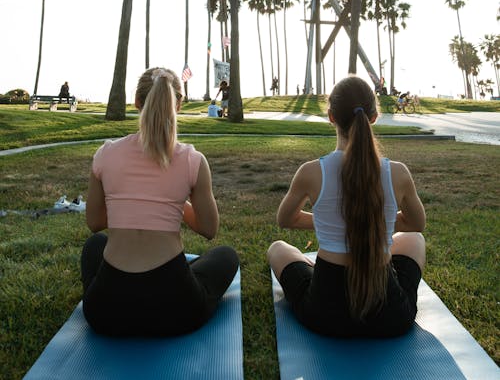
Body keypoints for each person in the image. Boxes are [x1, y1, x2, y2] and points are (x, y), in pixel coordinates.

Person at [80, 66, 239, 337]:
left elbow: (94, 222)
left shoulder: (105, 154)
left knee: (95, 245)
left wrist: (132, 204)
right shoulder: (192, 160)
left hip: (105, 312)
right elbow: (209, 229)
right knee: (226, 255)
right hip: (176, 310)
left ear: (137, 102)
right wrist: (172, 204)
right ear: (177, 104)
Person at [267, 75, 426, 338]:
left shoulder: (311, 172)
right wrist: (373, 221)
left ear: (331, 117)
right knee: (415, 240)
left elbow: (286, 220)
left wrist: (333, 221)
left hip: (325, 315)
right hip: (390, 317)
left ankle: (313, 267)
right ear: (373, 117)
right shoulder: (397, 173)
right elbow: (416, 224)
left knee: (278, 248)